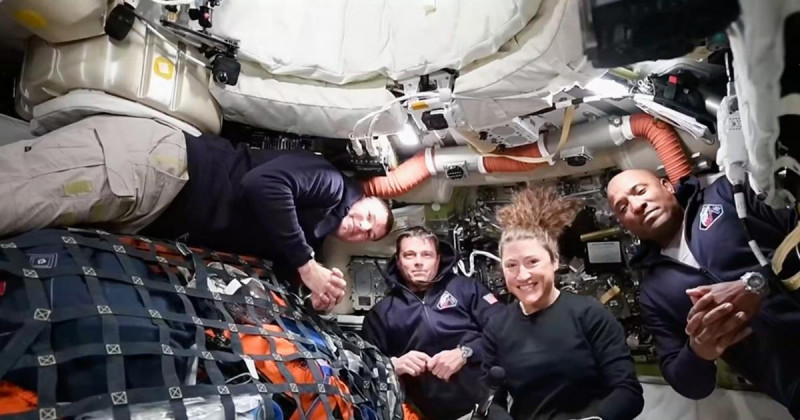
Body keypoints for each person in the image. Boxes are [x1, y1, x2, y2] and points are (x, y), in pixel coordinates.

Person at [0, 115, 393, 311]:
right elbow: (263, 185)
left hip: (154, 209)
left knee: (25, 216)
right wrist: (307, 266)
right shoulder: (331, 183)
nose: (362, 227)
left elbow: (277, 264)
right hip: (157, 171)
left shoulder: (308, 234)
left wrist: (314, 295)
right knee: (18, 195)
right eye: (368, 216)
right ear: (360, 197)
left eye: (369, 235)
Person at [607, 169, 800, 416]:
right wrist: (698, 350)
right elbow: (688, 385)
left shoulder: (728, 193)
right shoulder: (653, 293)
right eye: (623, 207)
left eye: (640, 191)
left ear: (667, 186)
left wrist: (758, 283)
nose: (637, 206)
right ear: (623, 224)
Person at [483, 187, 644, 420]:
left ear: (554, 261)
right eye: (511, 265)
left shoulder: (589, 314)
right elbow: (490, 401)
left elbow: (628, 392)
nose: (523, 275)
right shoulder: (497, 327)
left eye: (532, 262)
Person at [362, 226, 505, 419]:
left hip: (484, 407)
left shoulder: (467, 289)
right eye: (409, 255)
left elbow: (505, 330)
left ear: (438, 259)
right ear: (398, 262)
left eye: (426, 255)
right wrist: (393, 365)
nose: (418, 262)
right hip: (422, 414)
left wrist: (466, 353)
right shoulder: (381, 313)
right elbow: (364, 370)